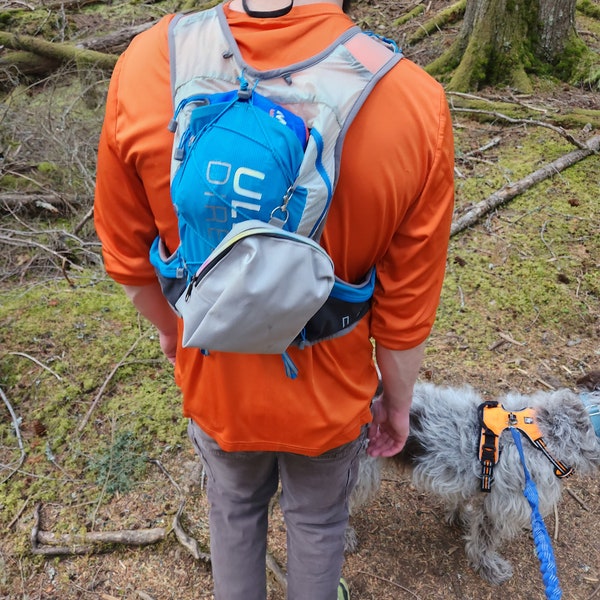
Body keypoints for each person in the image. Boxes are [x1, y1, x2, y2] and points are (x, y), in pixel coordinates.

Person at [93, 0, 455, 598]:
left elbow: (125, 253)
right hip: (330, 394)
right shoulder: (413, 100)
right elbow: (406, 306)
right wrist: (396, 400)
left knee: (233, 509)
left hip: (215, 378)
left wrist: (172, 329)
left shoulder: (150, 63)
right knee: (316, 521)